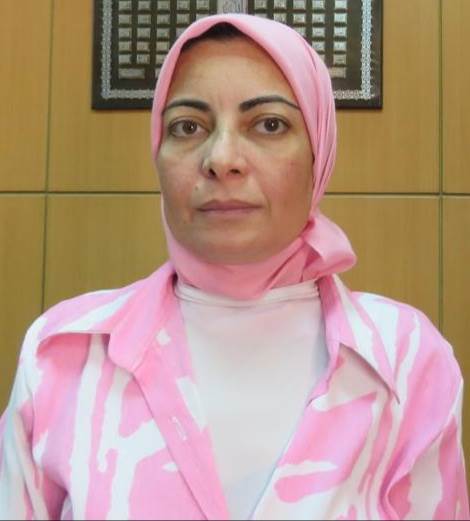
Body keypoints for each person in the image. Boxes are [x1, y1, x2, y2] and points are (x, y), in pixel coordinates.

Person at [0, 13, 468, 521]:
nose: (221, 158)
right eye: (188, 127)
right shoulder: (62, 353)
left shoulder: (404, 358)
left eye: (269, 124)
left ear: (319, 154)